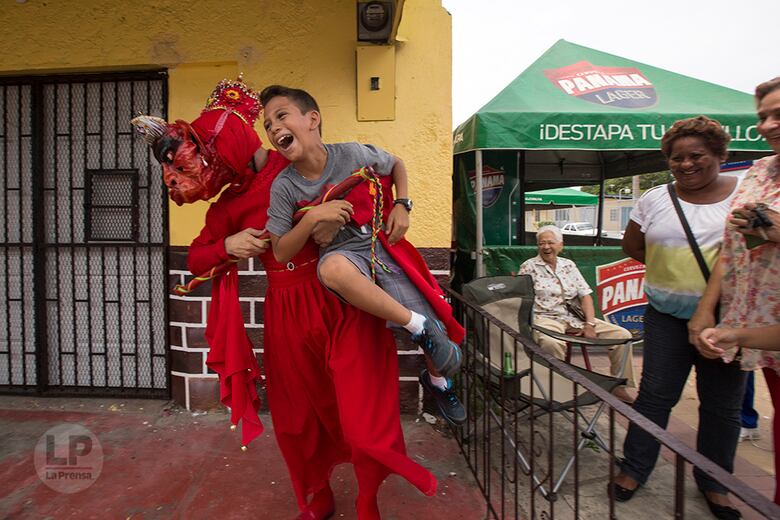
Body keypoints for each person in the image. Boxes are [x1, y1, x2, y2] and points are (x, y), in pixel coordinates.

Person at [134, 78, 438, 520]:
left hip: (343, 295)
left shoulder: (296, 159)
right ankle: (314, 495)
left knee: (363, 409)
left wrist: (403, 205)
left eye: (192, 162)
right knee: (296, 418)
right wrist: (227, 246)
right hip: (286, 311)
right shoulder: (225, 209)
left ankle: (369, 497)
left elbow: (380, 171)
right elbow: (198, 258)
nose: (189, 179)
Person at [260, 85, 466, 425]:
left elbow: (396, 164)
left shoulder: (353, 154)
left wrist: (403, 204)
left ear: (312, 119)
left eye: (281, 116)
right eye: (267, 125)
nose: (273, 127)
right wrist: (313, 217)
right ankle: (418, 327)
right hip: (344, 254)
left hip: (379, 245)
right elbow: (281, 251)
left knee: (440, 343)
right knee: (332, 269)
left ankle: (439, 383)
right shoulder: (284, 186)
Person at [609, 116, 747, 519]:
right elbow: (633, 245)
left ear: (720, 155)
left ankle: (714, 482)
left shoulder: (742, 197)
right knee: (655, 397)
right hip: (666, 316)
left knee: (722, 405)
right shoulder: (654, 199)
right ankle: (634, 468)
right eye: (676, 158)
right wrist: (674, 274)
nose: (686, 164)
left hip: (725, 321)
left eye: (697, 156)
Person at [692, 76, 780, 507]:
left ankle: (715, 483)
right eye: (762, 116)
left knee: (724, 406)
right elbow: (732, 248)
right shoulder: (761, 171)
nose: (767, 125)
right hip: (760, 328)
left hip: (759, 331)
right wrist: (709, 312)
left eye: (778, 114)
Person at [517, 225, 637, 403]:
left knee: (623, 336)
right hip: (545, 317)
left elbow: (585, 295)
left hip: (575, 318)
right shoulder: (529, 266)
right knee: (552, 343)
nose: (546, 247)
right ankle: (556, 388)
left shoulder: (568, 265)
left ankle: (618, 386)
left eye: (551, 242)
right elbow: (520, 298)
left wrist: (590, 324)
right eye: (542, 243)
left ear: (561, 245)